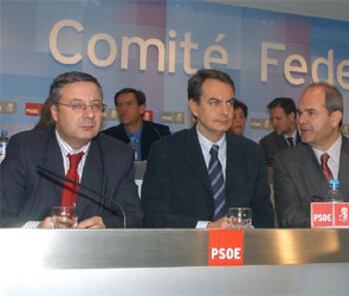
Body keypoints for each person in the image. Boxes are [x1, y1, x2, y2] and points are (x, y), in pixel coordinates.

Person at [0, 71, 143, 228]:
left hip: (95, 251)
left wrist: (106, 227)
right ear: (55, 112)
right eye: (77, 106)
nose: (89, 114)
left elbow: (132, 217)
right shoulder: (25, 148)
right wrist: (36, 230)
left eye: (96, 106)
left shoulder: (118, 155)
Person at [141, 69, 274, 228]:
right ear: (194, 107)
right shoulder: (166, 151)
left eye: (229, 103)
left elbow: (264, 215)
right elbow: (153, 215)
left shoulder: (252, 153)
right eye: (214, 103)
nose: (225, 112)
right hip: (185, 249)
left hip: (241, 249)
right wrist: (206, 228)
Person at [273, 82, 349, 228]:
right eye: (300, 113)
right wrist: (336, 221)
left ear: (335, 118)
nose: (301, 120)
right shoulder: (286, 162)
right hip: (311, 249)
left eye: (311, 113)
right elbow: (289, 220)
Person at [103, 88, 171, 161]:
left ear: (141, 109)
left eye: (128, 104)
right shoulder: (108, 136)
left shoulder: (159, 133)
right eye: (119, 105)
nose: (123, 109)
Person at [260, 97, 301, 166]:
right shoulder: (267, 144)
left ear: (291, 116)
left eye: (278, 119)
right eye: (272, 119)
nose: (274, 123)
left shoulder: (308, 139)